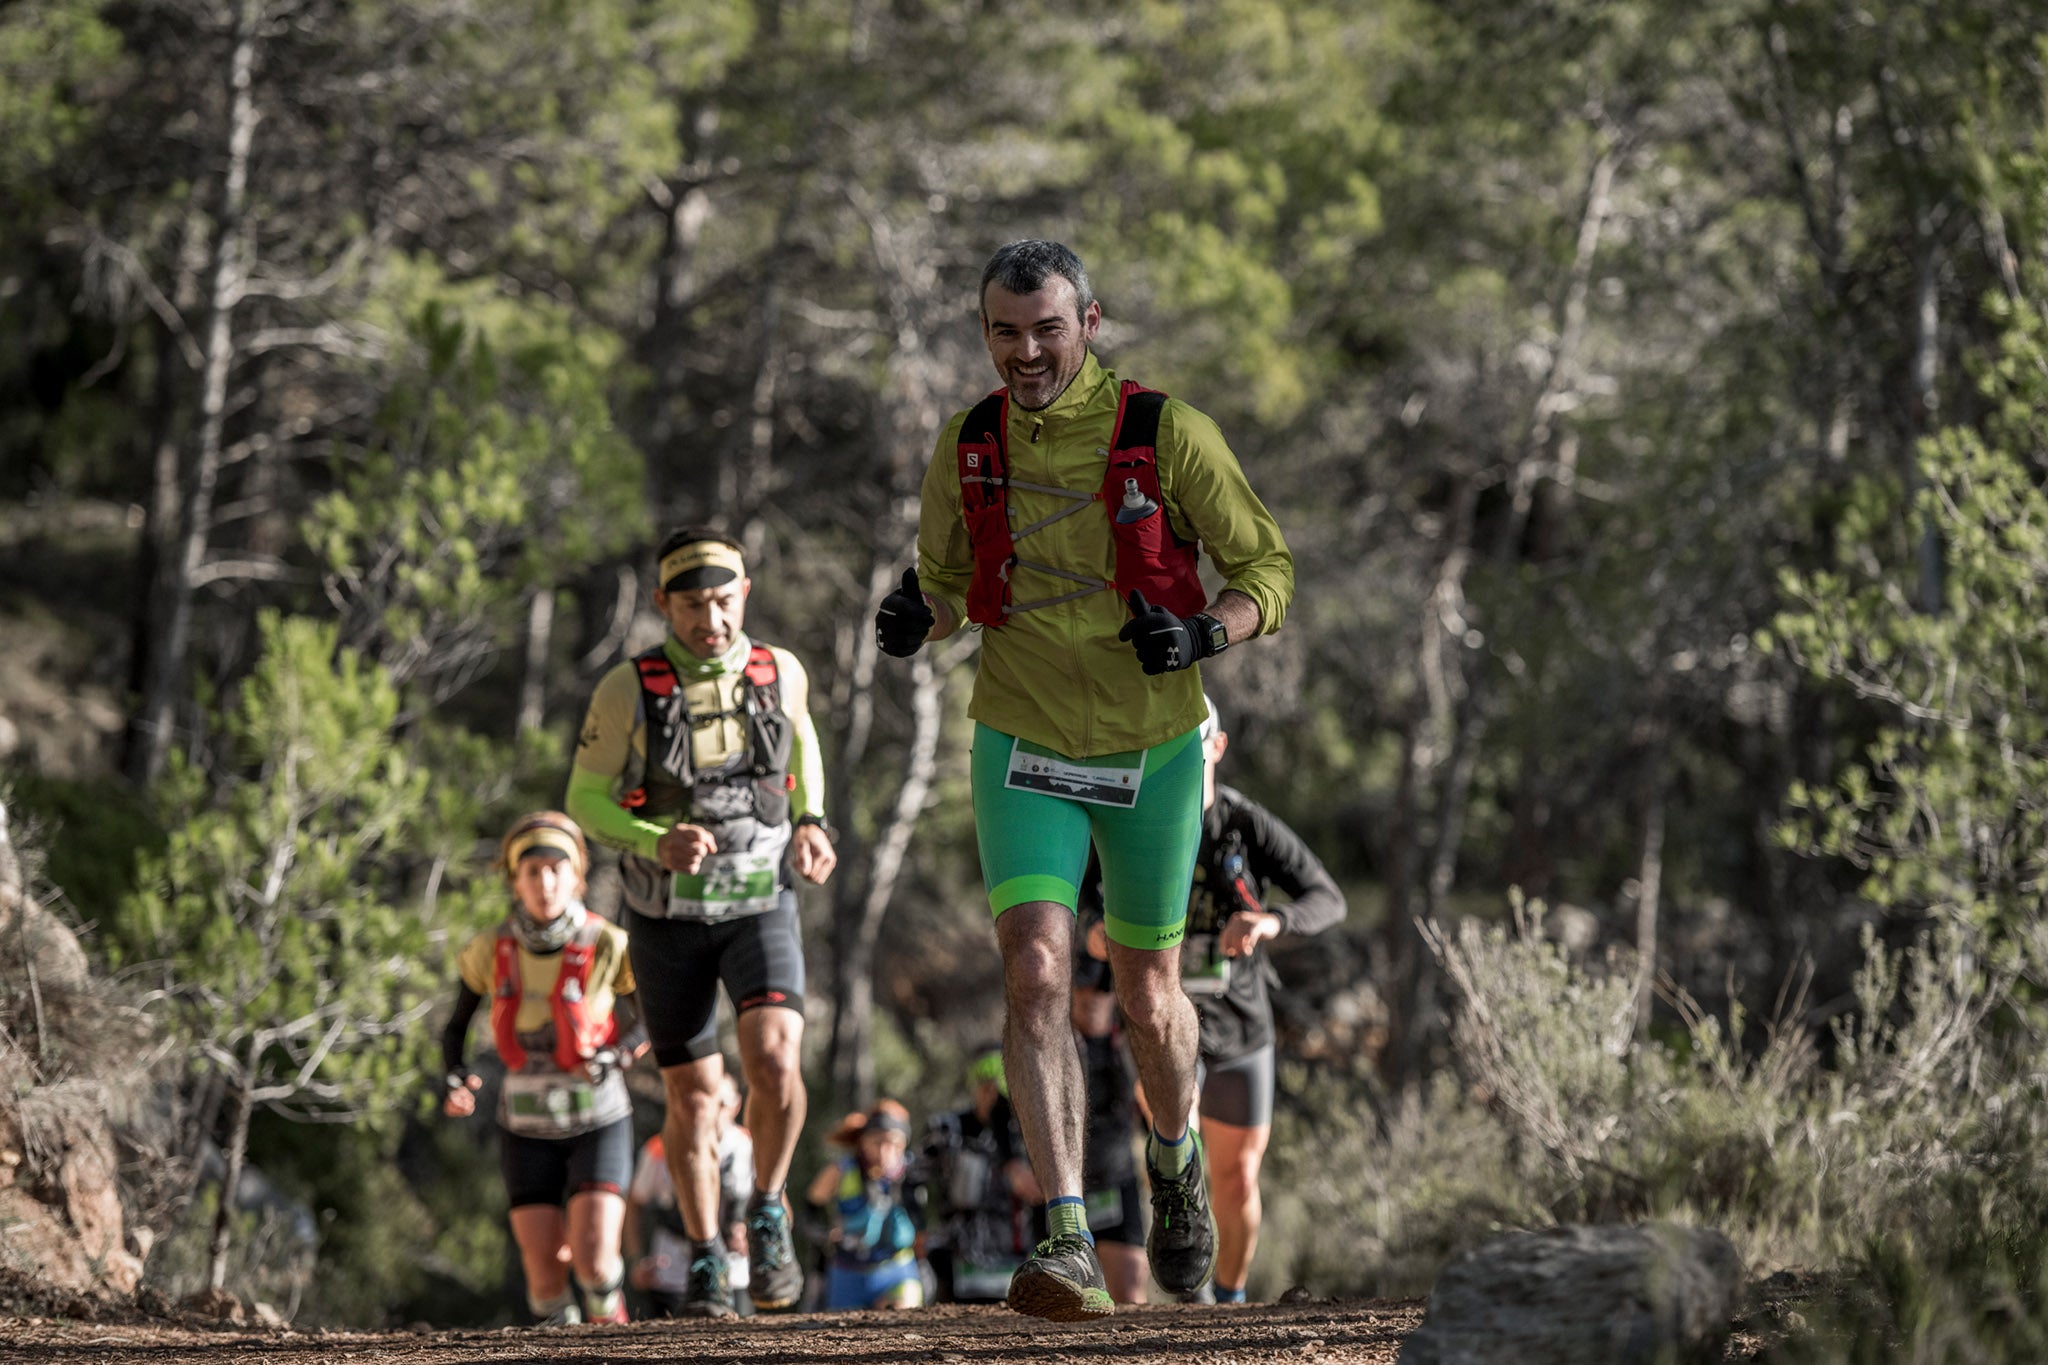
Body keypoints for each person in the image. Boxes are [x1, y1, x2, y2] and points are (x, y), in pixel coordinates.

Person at [876, 239, 1294, 1321]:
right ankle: (1064, 1235)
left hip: (1149, 749)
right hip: (1020, 740)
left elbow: (1266, 571)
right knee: (1033, 971)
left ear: (1090, 322)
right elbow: (950, 585)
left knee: (1150, 996)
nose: (1024, 352)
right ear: (984, 334)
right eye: (1004, 332)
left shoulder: (1166, 433)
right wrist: (921, 616)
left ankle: (1173, 1159)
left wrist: (1203, 632)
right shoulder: (967, 441)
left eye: (1046, 329)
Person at [565, 525, 838, 1316]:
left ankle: (769, 1207)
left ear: (743, 594)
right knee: (693, 1096)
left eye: (723, 602)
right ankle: (710, 1253)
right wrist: (655, 837)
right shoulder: (628, 689)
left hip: (760, 902)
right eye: (691, 606)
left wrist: (812, 818)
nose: (710, 621)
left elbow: (802, 739)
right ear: (662, 604)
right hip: (667, 916)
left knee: (777, 1059)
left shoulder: (780, 669)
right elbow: (582, 798)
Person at [1079, 696, 1346, 1303]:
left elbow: (1327, 896)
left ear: (1215, 748)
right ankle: (1191, 1297)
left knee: (1237, 1176)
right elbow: (1078, 897)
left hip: (1244, 1027)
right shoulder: (1127, 824)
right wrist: (1095, 933)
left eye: (1187, 746)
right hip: (1160, 1023)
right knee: (1180, 1143)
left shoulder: (1242, 824)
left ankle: (1229, 1300)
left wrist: (1271, 922)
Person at [441, 811, 644, 1326]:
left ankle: (614, 1339)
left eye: (557, 869)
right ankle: (565, 1348)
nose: (545, 882)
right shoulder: (491, 948)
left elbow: (650, 1021)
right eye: (532, 872)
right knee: (544, 1275)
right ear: (516, 882)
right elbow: (455, 1028)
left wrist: (620, 1055)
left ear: (577, 876)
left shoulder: (608, 944)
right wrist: (456, 1075)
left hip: (598, 1119)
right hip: (526, 1125)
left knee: (596, 1262)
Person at [913, 1047, 1041, 1303]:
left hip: (1019, 1258)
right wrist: (917, 1229)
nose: (992, 1097)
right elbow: (911, 1177)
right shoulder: (947, 1129)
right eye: (986, 1087)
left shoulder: (1031, 1134)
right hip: (955, 1255)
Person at [625, 1069, 753, 1316]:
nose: (715, 1112)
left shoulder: (749, 1146)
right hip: (670, 1271)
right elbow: (634, 1204)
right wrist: (636, 1259)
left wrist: (751, 1241)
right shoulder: (661, 1147)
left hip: (733, 1273)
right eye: (709, 1102)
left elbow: (778, 1205)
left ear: (736, 1106)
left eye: (723, 1104)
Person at [1069, 966, 1148, 1304]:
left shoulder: (1130, 1045)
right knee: (1066, 1302)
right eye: (1083, 987)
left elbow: (1152, 1118)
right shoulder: (1051, 1044)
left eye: (1101, 989)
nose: (1092, 997)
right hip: (1064, 1188)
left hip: (1117, 1180)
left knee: (1129, 1293)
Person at [806, 1100, 926, 1311]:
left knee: (904, 1319)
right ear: (863, 1141)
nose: (884, 1151)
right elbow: (808, 1210)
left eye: (892, 1143)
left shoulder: (912, 1173)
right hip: (848, 1273)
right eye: (877, 1142)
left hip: (897, 1270)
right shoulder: (841, 1171)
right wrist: (825, 1235)